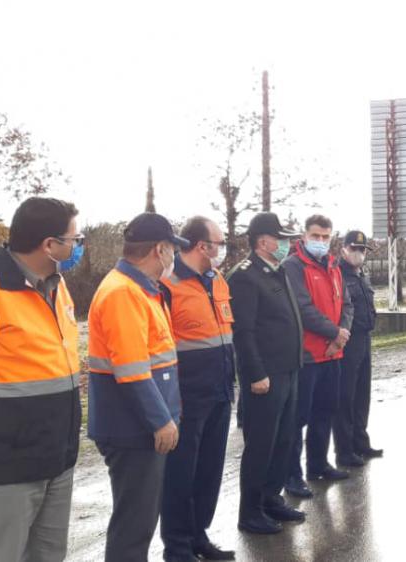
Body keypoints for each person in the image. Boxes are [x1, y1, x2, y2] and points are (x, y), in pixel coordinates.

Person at [0, 197, 83, 562]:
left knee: (49, 556)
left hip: (57, 457)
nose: (77, 246)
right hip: (6, 468)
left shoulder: (57, 285)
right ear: (49, 245)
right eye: (74, 239)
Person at [88, 212, 187, 562]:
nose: (174, 257)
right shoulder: (123, 293)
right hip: (132, 427)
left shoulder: (143, 291)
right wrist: (161, 419)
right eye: (173, 249)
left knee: (141, 519)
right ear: (159, 249)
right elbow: (131, 370)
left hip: (138, 424)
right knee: (134, 524)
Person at [159, 217, 236, 561]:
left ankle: (198, 537)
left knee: (209, 471)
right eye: (218, 243)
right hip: (187, 395)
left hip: (220, 390)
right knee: (180, 474)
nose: (221, 249)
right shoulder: (167, 284)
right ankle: (176, 546)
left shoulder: (217, 279)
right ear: (202, 246)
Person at [228, 212, 305, 535]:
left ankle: (271, 498)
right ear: (263, 241)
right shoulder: (245, 276)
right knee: (261, 444)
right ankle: (251, 511)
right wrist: (256, 374)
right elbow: (244, 332)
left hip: (288, 370)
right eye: (282, 238)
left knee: (284, 439)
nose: (287, 244)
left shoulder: (276, 272)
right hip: (265, 377)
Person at [283, 214, 353, 497]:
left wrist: (342, 334)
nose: (321, 242)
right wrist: (334, 333)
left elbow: (347, 304)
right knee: (298, 419)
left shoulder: (334, 266)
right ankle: (292, 476)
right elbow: (303, 307)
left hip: (333, 355)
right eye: (316, 236)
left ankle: (318, 465)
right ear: (304, 235)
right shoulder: (293, 267)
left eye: (325, 237)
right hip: (308, 355)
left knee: (325, 412)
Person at [334, 231, 383, 465]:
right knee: (346, 395)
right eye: (354, 248)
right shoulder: (337, 274)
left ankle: (360, 442)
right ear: (344, 249)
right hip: (348, 340)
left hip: (364, 337)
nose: (359, 253)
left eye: (362, 250)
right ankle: (344, 450)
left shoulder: (361, 274)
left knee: (362, 393)